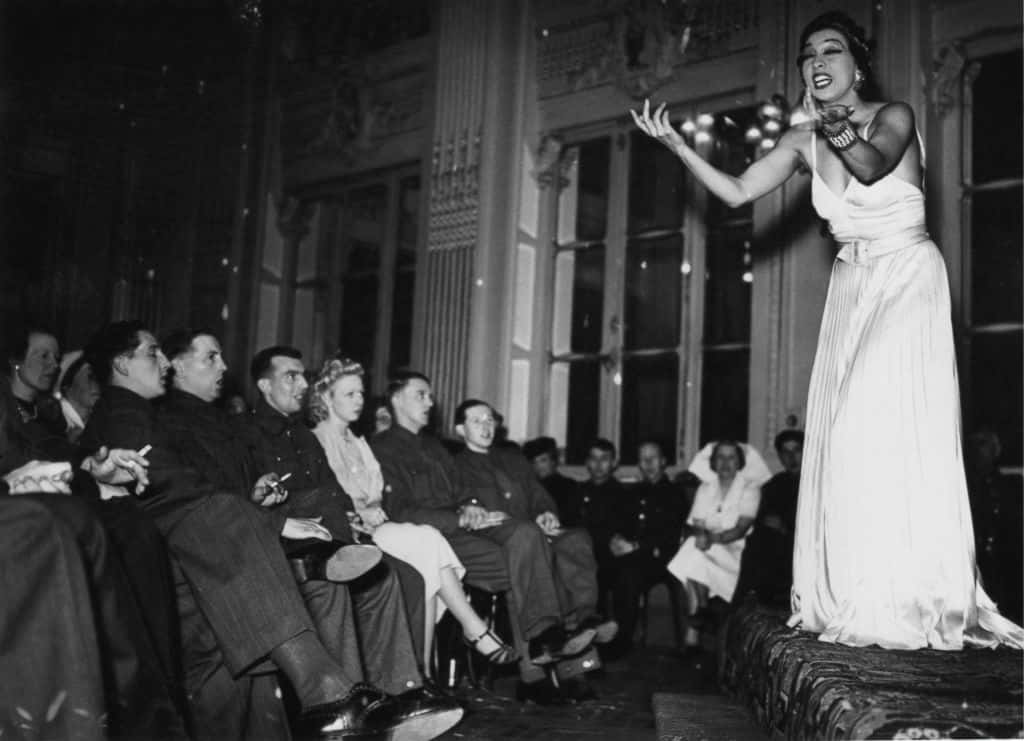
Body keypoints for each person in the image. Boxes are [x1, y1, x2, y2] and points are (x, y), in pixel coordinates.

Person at [632, 10, 1023, 650]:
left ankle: (912, 597)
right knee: (841, 438)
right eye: (808, 54)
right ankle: (855, 591)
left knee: (877, 420)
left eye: (831, 51)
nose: (816, 62)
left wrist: (831, 124)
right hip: (852, 285)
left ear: (856, 64)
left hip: (904, 276)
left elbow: (870, 167)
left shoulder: (894, 114)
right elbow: (735, 192)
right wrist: (680, 147)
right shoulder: (800, 139)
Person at [83, 322, 463, 741]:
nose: (163, 365)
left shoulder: (157, 415)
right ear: (122, 364)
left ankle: (365, 700)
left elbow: (195, 486)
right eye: (152, 353)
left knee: (329, 551)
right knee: (264, 529)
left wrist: (257, 494)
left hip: (217, 532)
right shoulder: (124, 412)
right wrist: (272, 519)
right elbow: (174, 489)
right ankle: (333, 688)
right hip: (189, 547)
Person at [371, 372, 599, 705]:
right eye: (421, 395)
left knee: (531, 550)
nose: (431, 403)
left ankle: (538, 664)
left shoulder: (436, 448)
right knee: (531, 556)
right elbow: (399, 509)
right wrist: (460, 515)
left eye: (430, 396)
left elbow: (463, 492)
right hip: (433, 539)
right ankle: (547, 651)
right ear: (396, 400)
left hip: (465, 531)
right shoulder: (382, 448)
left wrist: (473, 508)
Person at [309, 358, 518, 671]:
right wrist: (357, 512)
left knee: (427, 559)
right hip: (348, 531)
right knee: (427, 545)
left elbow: (379, 496)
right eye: (350, 394)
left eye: (361, 394)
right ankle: (473, 632)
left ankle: (423, 672)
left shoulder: (358, 442)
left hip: (378, 525)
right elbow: (325, 496)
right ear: (327, 397)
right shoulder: (317, 441)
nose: (360, 401)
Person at [451, 399, 617, 652]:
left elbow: (537, 493)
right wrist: (468, 505)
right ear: (461, 430)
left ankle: (585, 617)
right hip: (490, 534)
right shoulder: (454, 464)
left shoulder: (513, 458)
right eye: (477, 421)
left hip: (528, 529)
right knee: (531, 542)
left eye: (489, 420)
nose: (486, 427)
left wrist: (545, 512)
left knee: (576, 538)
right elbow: (452, 498)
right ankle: (545, 632)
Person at [667, 440, 760, 648]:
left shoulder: (750, 489)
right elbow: (697, 522)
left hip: (735, 551)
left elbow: (740, 529)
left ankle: (694, 628)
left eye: (731, 457)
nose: (725, 462)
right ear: (713, 462)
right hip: (707, 547)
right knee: (694, 551)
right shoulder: (705, 488)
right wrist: (702, 536)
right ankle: (700, 609)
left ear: (739, 462)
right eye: (720, 457)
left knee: (692, 553)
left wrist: (710, 539)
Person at [604, 441, 689, 656]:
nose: (648, 463)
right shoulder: (632, 492)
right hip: (634, 556)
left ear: (663, 462)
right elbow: (619, 522)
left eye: (653, 458)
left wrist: (635, 545)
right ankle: (605, 635)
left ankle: (622, 640)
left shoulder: (675, 494)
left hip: (664, 559)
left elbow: (670, 534)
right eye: (643, 459)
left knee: (629, 572)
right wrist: (615, 539)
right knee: (610, 565)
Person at [733, 430, 804, 607]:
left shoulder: (816, 483)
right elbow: (761, 516)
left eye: (796, 450)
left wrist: (784, 528)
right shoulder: (775, 484)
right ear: (780, 456)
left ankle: (742, 604)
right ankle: (744, 604)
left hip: (803, 544)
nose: (791, 457)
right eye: (785, 452)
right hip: (774, 542)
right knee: (755, 542)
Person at [965, 428, 1023, 625]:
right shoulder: (968, 484)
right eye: (976, 448)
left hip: (1001, 545)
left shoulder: (1008, 485)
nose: (979, 453)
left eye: (984, 447)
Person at [522, 436, 578, 516]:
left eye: (543, 460)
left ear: (553, 461)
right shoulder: (528, 485)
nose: (538, 466)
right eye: (534, 462)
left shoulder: (569, 486)